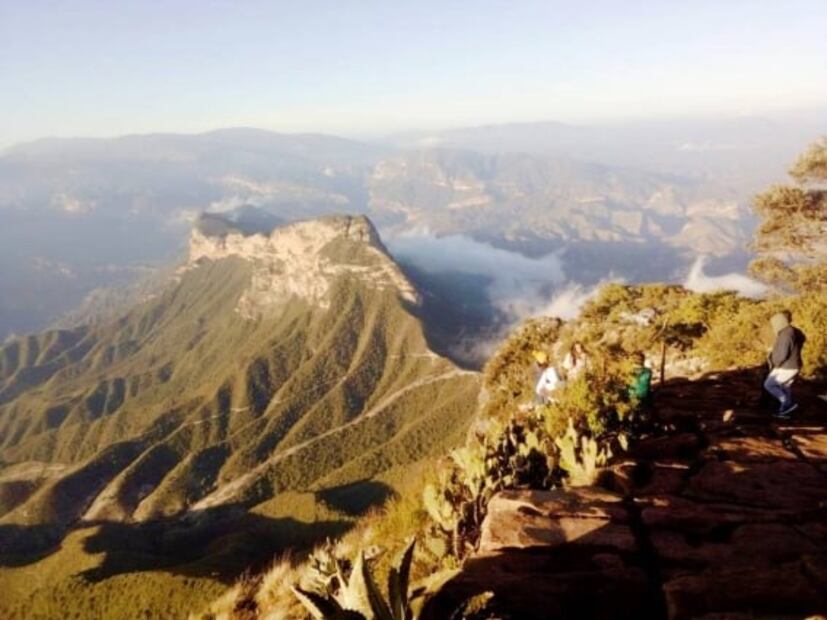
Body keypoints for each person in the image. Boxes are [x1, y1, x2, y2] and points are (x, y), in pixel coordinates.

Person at [764, 311, 806, 418]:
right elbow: (800, 340)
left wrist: (774, 363)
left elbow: (782, 354)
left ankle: (787, 404)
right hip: (794, 364)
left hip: (787, 366)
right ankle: (785, 411)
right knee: (785, 386)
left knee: (769, 384)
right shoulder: (792, 331)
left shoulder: (785, 334)